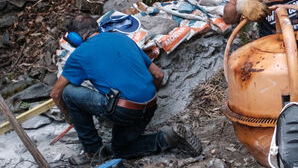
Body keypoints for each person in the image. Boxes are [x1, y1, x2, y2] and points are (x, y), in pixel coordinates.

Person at [50, 14, 201, 160]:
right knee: (121, 149)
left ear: (74, 38)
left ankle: (93, 152)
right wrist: (143, 101)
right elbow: (158, 75)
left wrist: (70, 117)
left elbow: (56, 93)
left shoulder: (79, 55)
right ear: (98, 28)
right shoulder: (122, 38)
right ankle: (168, 138)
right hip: (149, 106)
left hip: (124, 111)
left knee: (69, 92)